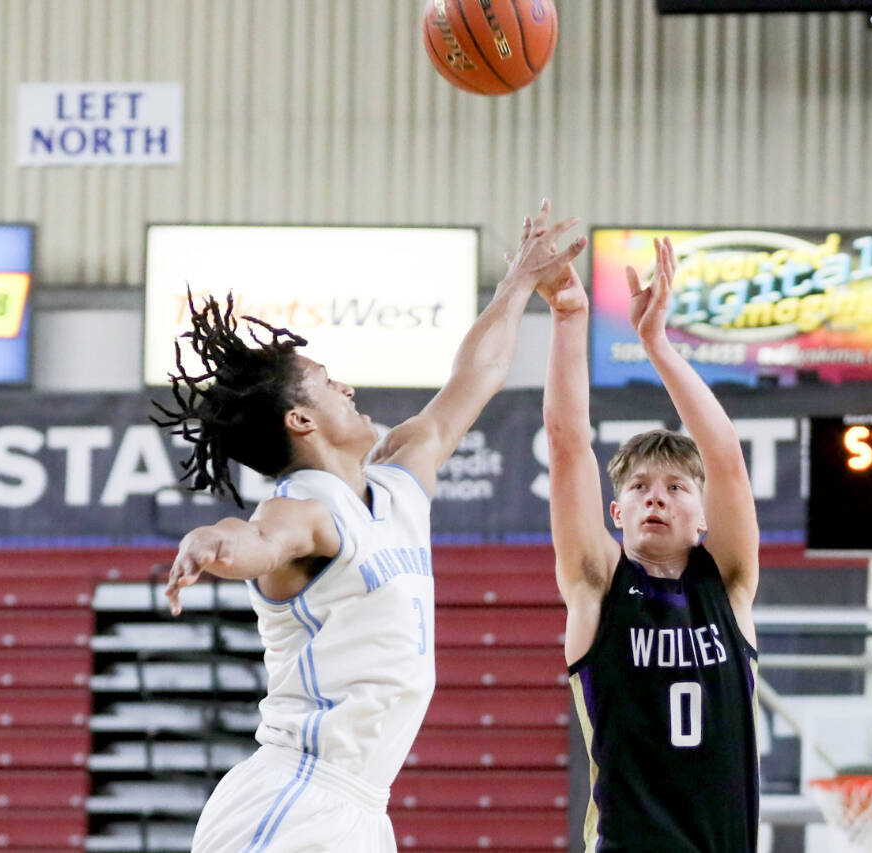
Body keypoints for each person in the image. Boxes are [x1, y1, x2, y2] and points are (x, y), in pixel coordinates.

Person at [151, 200, 585, 853]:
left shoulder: (402, 475)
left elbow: (477, 375)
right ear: (301, 420)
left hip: (362, 809)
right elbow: (260, 539)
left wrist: (518, 285)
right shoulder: (306, 506)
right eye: (326, 381)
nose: (347, 386)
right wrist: (211, 540)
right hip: (294, 797)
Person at [539, 237, 760, 852]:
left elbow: (726, 460)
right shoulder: (596, 586)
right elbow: (565, 444)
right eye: (638, 487)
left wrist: (656, 343)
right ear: (617, 512)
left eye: (675, 488)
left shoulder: (729, 584)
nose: (655, 498)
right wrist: (567, 317)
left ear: (702, 517)